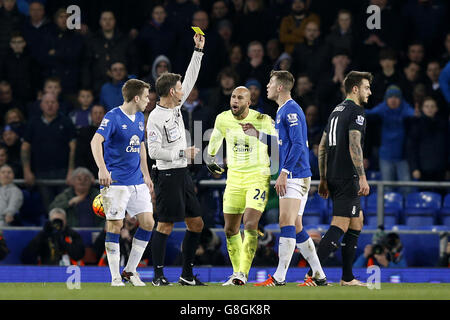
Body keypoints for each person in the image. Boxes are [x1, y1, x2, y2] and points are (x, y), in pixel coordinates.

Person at [251, 70, 327, 287]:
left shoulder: (291, 110)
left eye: (270, 82)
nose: (267, 86)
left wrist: (284, 173)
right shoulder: (283, 110)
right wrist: (258, 135)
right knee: (296, 225)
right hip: (296, 174)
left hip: (295, 174)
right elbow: (282, 144)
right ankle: (319, 275)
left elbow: (297, 144)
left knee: (285, 222)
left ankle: (279, 278)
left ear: (280, 87)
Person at [146, 33, 205, 286]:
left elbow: (190, 77)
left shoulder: (175, 107)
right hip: (167, 175)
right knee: (165, 226)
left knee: (197, 224)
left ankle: (187, 275)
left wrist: (198, 51)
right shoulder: (155, 118)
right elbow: (153, 152)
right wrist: (182, 153)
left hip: (182, 174)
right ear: (172, 91)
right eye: (180, 88)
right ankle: (158, 276)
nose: (184, 90)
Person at [206, 85, 277, 286]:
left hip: (258, 175)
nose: (235, 101)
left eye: (240, 98)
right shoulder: (222, 119)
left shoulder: (262, 120)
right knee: (230, 229)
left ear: (249, 102)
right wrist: (212, 162)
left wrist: (259, 135)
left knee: (251, 223)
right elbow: (213, 147)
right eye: (233, 97)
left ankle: (242, 274)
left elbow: (278, 143)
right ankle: (237, 273)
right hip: (234, 178)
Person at [309, 71, 372, 286]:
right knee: (340, 225)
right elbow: (354, 144)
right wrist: (362, 177)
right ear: (355, 89)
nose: (369, 92)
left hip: (334, 175)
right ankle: (312, 275)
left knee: (357, 222)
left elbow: (323, 147)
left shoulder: (335, 111)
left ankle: (347, 277)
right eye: (366, 88)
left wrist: (324, 178)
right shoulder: (356, 111)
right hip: (348, 176)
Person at [91, 79, 154, 287]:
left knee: (148, 223)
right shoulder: (113, 117)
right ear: (136, 98)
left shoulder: (139, 117)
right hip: (116, 181)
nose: (148, 100)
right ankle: (115, 276)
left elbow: (141, 147)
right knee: (115, 225)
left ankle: (129, 271)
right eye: (146, 96)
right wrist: (102, 168)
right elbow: (95, 141)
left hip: (137, 181)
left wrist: (146, 175)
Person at [21, 92, 77, 210]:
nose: (50, 105)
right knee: (48, 207)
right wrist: (26, 170)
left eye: (53, 102)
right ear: (41, 105)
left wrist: (71, 170)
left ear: (58, 105)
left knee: (64, 205)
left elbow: (73, 147)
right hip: (41, 172)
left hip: (62, 172)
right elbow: (25, 147)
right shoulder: (33, 122)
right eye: (47, 102)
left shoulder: (66, 122)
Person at [366, 85, 415, 193]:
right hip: (386, 157)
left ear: (401, 99)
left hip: (403, 157)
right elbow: (367, 113)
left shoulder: (405, 108)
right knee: (387, 189)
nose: (393, 99)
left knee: (407, 188)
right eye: (390, 97)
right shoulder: (382, 108)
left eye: (396, 97)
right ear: (386, 99)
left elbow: (415, 114)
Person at [21, 208, 85, 265]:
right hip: (48, 272)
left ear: (65, 221)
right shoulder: (43, 236)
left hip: (69, 271)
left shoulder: (73, 234)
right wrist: (43, 235)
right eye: (55, 221)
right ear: (50, 222)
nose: (57, 224)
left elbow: (78, 255)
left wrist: (62, 240)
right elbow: (26, 258)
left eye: (60, 221)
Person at [74, 105, 106, 178]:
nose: (98, 115)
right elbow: (80, 155)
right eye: (95, 113)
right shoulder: (83, 133)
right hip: (88, 174)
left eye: (100, 113)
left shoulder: (112, 132)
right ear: (91, 115)